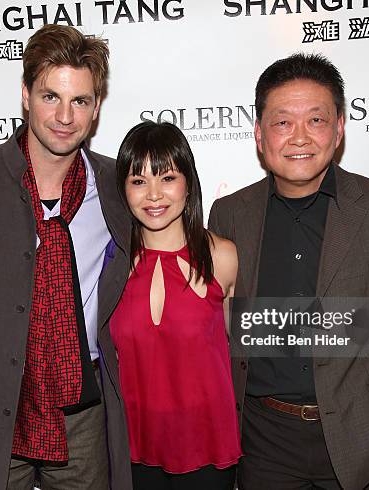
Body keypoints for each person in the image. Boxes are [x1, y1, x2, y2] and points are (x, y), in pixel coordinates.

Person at [0, 24, 131, 490]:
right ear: (25, 95)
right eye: (51, 96)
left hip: (84, 412)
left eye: (80, 101)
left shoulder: (119, 187)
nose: (64, 116)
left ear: (96, 109)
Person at [208, 53, 369, 489]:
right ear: (260, 134)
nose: (299, 137)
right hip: (264, 443)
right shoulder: (230, 214)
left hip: (361, 438)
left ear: (339, 129)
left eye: (315, 120)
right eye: (282, 122)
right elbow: (219, 330)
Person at [106, 121, 242, 490]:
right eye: (138, 181)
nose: (153, 195)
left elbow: (244, 358)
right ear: (123, 189)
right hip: (132, 447)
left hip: (207, 447)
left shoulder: (223, 257)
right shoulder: (111, 264)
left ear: (188, 184)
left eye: (166, 178)